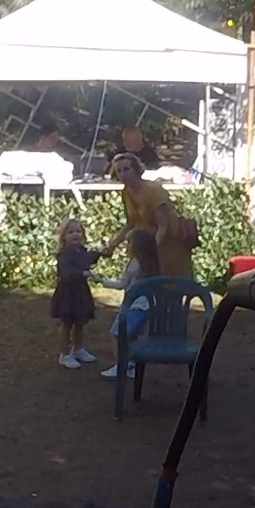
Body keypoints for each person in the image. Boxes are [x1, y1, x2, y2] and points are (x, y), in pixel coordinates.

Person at [106, 152, 190, 281]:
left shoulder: (153, 190)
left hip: (165, 244)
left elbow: (163, 226)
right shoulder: (126, 192)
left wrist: (151, 250)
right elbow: (130, 223)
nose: (123, 174)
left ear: (136, 170)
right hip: (143, 245)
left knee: (167, 285)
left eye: (126, 169)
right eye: (119, 171)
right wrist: (113, 244)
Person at [49, 218, 115, 369]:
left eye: (78, 231)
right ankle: (64, 354)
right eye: (71, 232)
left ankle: (78, 348)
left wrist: (102, 252)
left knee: (80, 322)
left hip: (80, 292)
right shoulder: (63, 254)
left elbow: (90, 257)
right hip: (67, 293)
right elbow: (66, 272)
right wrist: (81, 273)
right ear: (64, 236)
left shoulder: (82, 251)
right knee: (67, 323)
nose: (75, 235)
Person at [99, 228, 160, 380]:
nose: (126, 245)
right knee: (131, 337)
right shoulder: (153, 265)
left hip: (133, 307)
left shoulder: (134, 264)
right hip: (146, 307)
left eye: (129, 242)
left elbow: (122, 284)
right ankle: (131, 365)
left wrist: (101, 281)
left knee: (116, 335)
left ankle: (121, 366)